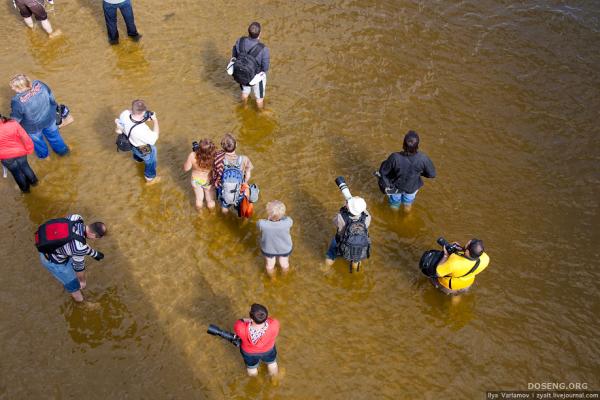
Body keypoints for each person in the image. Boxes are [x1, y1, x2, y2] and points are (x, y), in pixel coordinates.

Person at [36, 214, 106, 302]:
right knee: (75, 288)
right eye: (97, 237)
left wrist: (94, 253)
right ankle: (83, 304)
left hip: (47, 248)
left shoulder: (76, 218)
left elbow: (72, 237)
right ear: (92, 234)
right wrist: (82, 281)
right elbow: (79, 269)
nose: (96, 239)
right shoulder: (79, 248)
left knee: (76, 253)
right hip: (55, 263)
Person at [9, 74, 70, 159]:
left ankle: (45, 157)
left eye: (14, 87)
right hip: (50, 119)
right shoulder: (39, 84)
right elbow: (52, 98)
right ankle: (64, 152)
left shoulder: (17, 101)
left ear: (20, 87)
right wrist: (56, 113)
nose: (12, 89)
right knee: (55, 137)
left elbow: (16, 119)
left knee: (39, 143)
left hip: (33, 128)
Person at [377, 130, 436, 211]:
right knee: (408, 203)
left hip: (395, 187)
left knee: (394, 204)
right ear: (417, 146)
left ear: (403, 145)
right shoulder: (423, 158)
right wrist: (420, 173)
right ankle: (407, 217)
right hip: (412, 188)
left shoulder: (395, 157)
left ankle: (394, 218)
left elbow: (383, 172)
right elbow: (432, 174)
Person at [115, 99, 160, 184]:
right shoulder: (141, 130)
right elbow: (154, 138)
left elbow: (128, 121)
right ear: (143, 113)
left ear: (132, 108)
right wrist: (155, 120)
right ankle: (150, 178)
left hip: (130, 142)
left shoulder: (124, 114)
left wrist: (144, 118)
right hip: (142, 147)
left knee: (137, 153)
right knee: (151, 157)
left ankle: (138, 161)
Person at [325, 196, 371, 272]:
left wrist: (344, 207)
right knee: (356, 259)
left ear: (349, 207)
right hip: (359, 244)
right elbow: (364, 212)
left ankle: (326, 269)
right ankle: (355, 271)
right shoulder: (367, 217)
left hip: (340, 242)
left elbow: (334, 222)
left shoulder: (340, 217)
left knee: (331, 253)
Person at [233, 304, 280, 377]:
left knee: (252, 369)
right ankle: (274, 380)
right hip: (268, 350)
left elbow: (240, 321)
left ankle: (255, 381)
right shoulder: (274, 324)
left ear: (251, 318)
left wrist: (248, 320)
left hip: (249, 353)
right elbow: (270, 320)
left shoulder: (240, 327)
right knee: (272, 364)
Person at [231, 22, 270, 109]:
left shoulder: (240, 41)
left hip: (242, 73)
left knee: (245, 92)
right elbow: (265, 68)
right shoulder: (263, 49)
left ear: (248, 32)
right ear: (260, 33)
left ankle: (244, 107)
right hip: (256, 77)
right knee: (259, 98)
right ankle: (261, 112)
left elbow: (234, 55)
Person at [213, 133, 253, 214]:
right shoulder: (244, 159)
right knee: (241, 208)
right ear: (236, 145)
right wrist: (244, 182)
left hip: (224, 189)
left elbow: (215, 173)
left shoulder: (219, 158)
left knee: (224, 205)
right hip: (239, 190)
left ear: (223, 147)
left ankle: (225, 218)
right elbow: (248, 174)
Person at [0, 114, 38, 193]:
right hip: (20, 152)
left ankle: (26, 191)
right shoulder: (13, 123)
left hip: (6, 158)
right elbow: (25, 137)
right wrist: (29, 149)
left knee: (17, 173)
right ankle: (35, 183)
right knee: (25, 167)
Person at [257, 201, 293, 276]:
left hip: (269, 249)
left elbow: (258, 225)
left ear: (269, 214)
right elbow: (287, 219)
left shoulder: (262, 224)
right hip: (284, 248)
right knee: (285, 263)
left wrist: (269, 219)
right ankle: (285, 277)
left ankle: (273, 279)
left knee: (270, 266)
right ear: (283, 213)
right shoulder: (288, 222)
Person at [183, 139, 216, 210]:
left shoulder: (192, 155)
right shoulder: (214, 157)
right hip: (208, 181)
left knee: (199, 199)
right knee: (210, 200)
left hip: (196, 180)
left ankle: (200, 214)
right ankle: (212, 213)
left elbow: (186, 168)